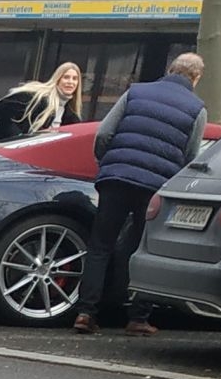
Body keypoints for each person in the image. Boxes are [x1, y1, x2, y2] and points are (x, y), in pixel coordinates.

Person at [77, 51, 209, 336]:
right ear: (196, 78)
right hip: (155, 188)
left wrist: (108, 163)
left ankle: (86, 312)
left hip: (116, 178)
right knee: (140, 249)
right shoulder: (197, 108)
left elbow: (104, 133)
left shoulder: (136, 92)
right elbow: (190, 155)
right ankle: (137, 317)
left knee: (100, 245)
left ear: (170, 68)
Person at [0, 61, 84, 141]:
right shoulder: (38, 97)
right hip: (7, 154)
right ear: (57, 79)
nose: (70, 82)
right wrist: (18, 137)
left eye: (75, 79)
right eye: (66, 77)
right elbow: (0, 110)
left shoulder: (71, 115)